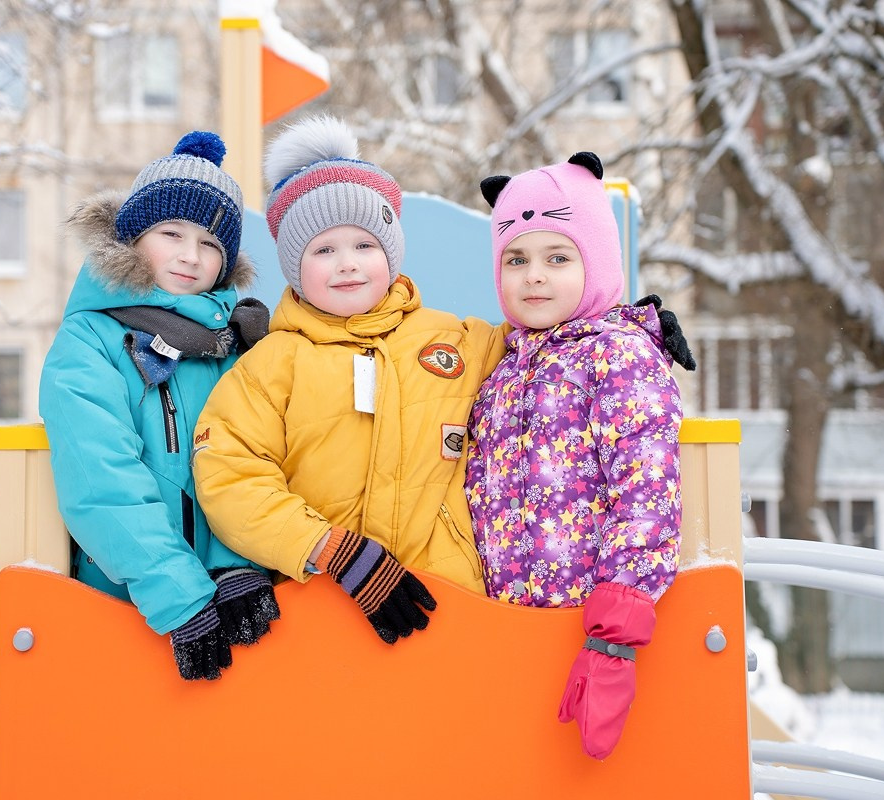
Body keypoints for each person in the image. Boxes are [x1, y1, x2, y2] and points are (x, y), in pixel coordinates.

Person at [192, 116, 505, 645]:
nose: (346, 265)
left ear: (390, 251)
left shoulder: (457, 341)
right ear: (295, 267)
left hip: (452, 600)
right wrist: (330, 549)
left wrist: (621, 326)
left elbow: (547, 349)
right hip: (326, 607)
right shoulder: (271, 365)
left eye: (364, 245)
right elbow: (230, 476)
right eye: (323, 250)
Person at [464, 151, 685, 759]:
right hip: (506, 629)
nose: (534, 276)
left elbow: (648, 491)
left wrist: (614, 637)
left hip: (589, 629)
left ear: (599, 261)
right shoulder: (501, 368)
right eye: (516, 259)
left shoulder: (616, 356)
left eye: (557, 257)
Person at [39, 132, 280, 681]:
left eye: (211, 243)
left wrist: (237, 564)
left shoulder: (241, 341)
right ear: (131, 236)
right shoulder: (92, 341)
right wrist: (178, 593)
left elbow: (253, 462)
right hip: (127, 606)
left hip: (240, 600)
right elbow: (101, 478)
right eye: (171, 233)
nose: (190, 256)